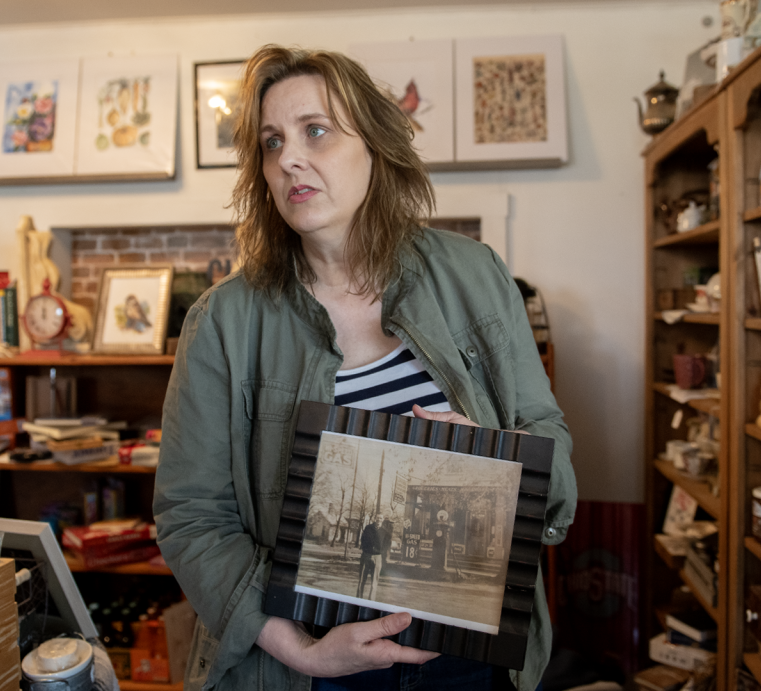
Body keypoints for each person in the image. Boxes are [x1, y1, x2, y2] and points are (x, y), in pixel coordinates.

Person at [153, 44, 576, 691]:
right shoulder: (222, 323)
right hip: (311, 665)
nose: (289, 156)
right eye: (271, 142)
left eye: (315, 131)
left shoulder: (476, 275)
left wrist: (497, 459)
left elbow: (548, 435)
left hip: (469, 658)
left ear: (376, 143)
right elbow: (190, 515)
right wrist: (300, 649)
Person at [357, 514, 385, 600]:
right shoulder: (368, 528)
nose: (378, 520)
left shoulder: (384, 531)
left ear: (382, 520)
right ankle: (358, 599)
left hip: (377, 557)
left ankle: (371, 601)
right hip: (366, 555)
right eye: (377, 518)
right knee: (362, 580)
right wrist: (366, 549)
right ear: (375, 518)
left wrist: (380, 552)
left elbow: (386, 545)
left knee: (374, 582)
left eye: (380, 518)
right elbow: (363, 539)